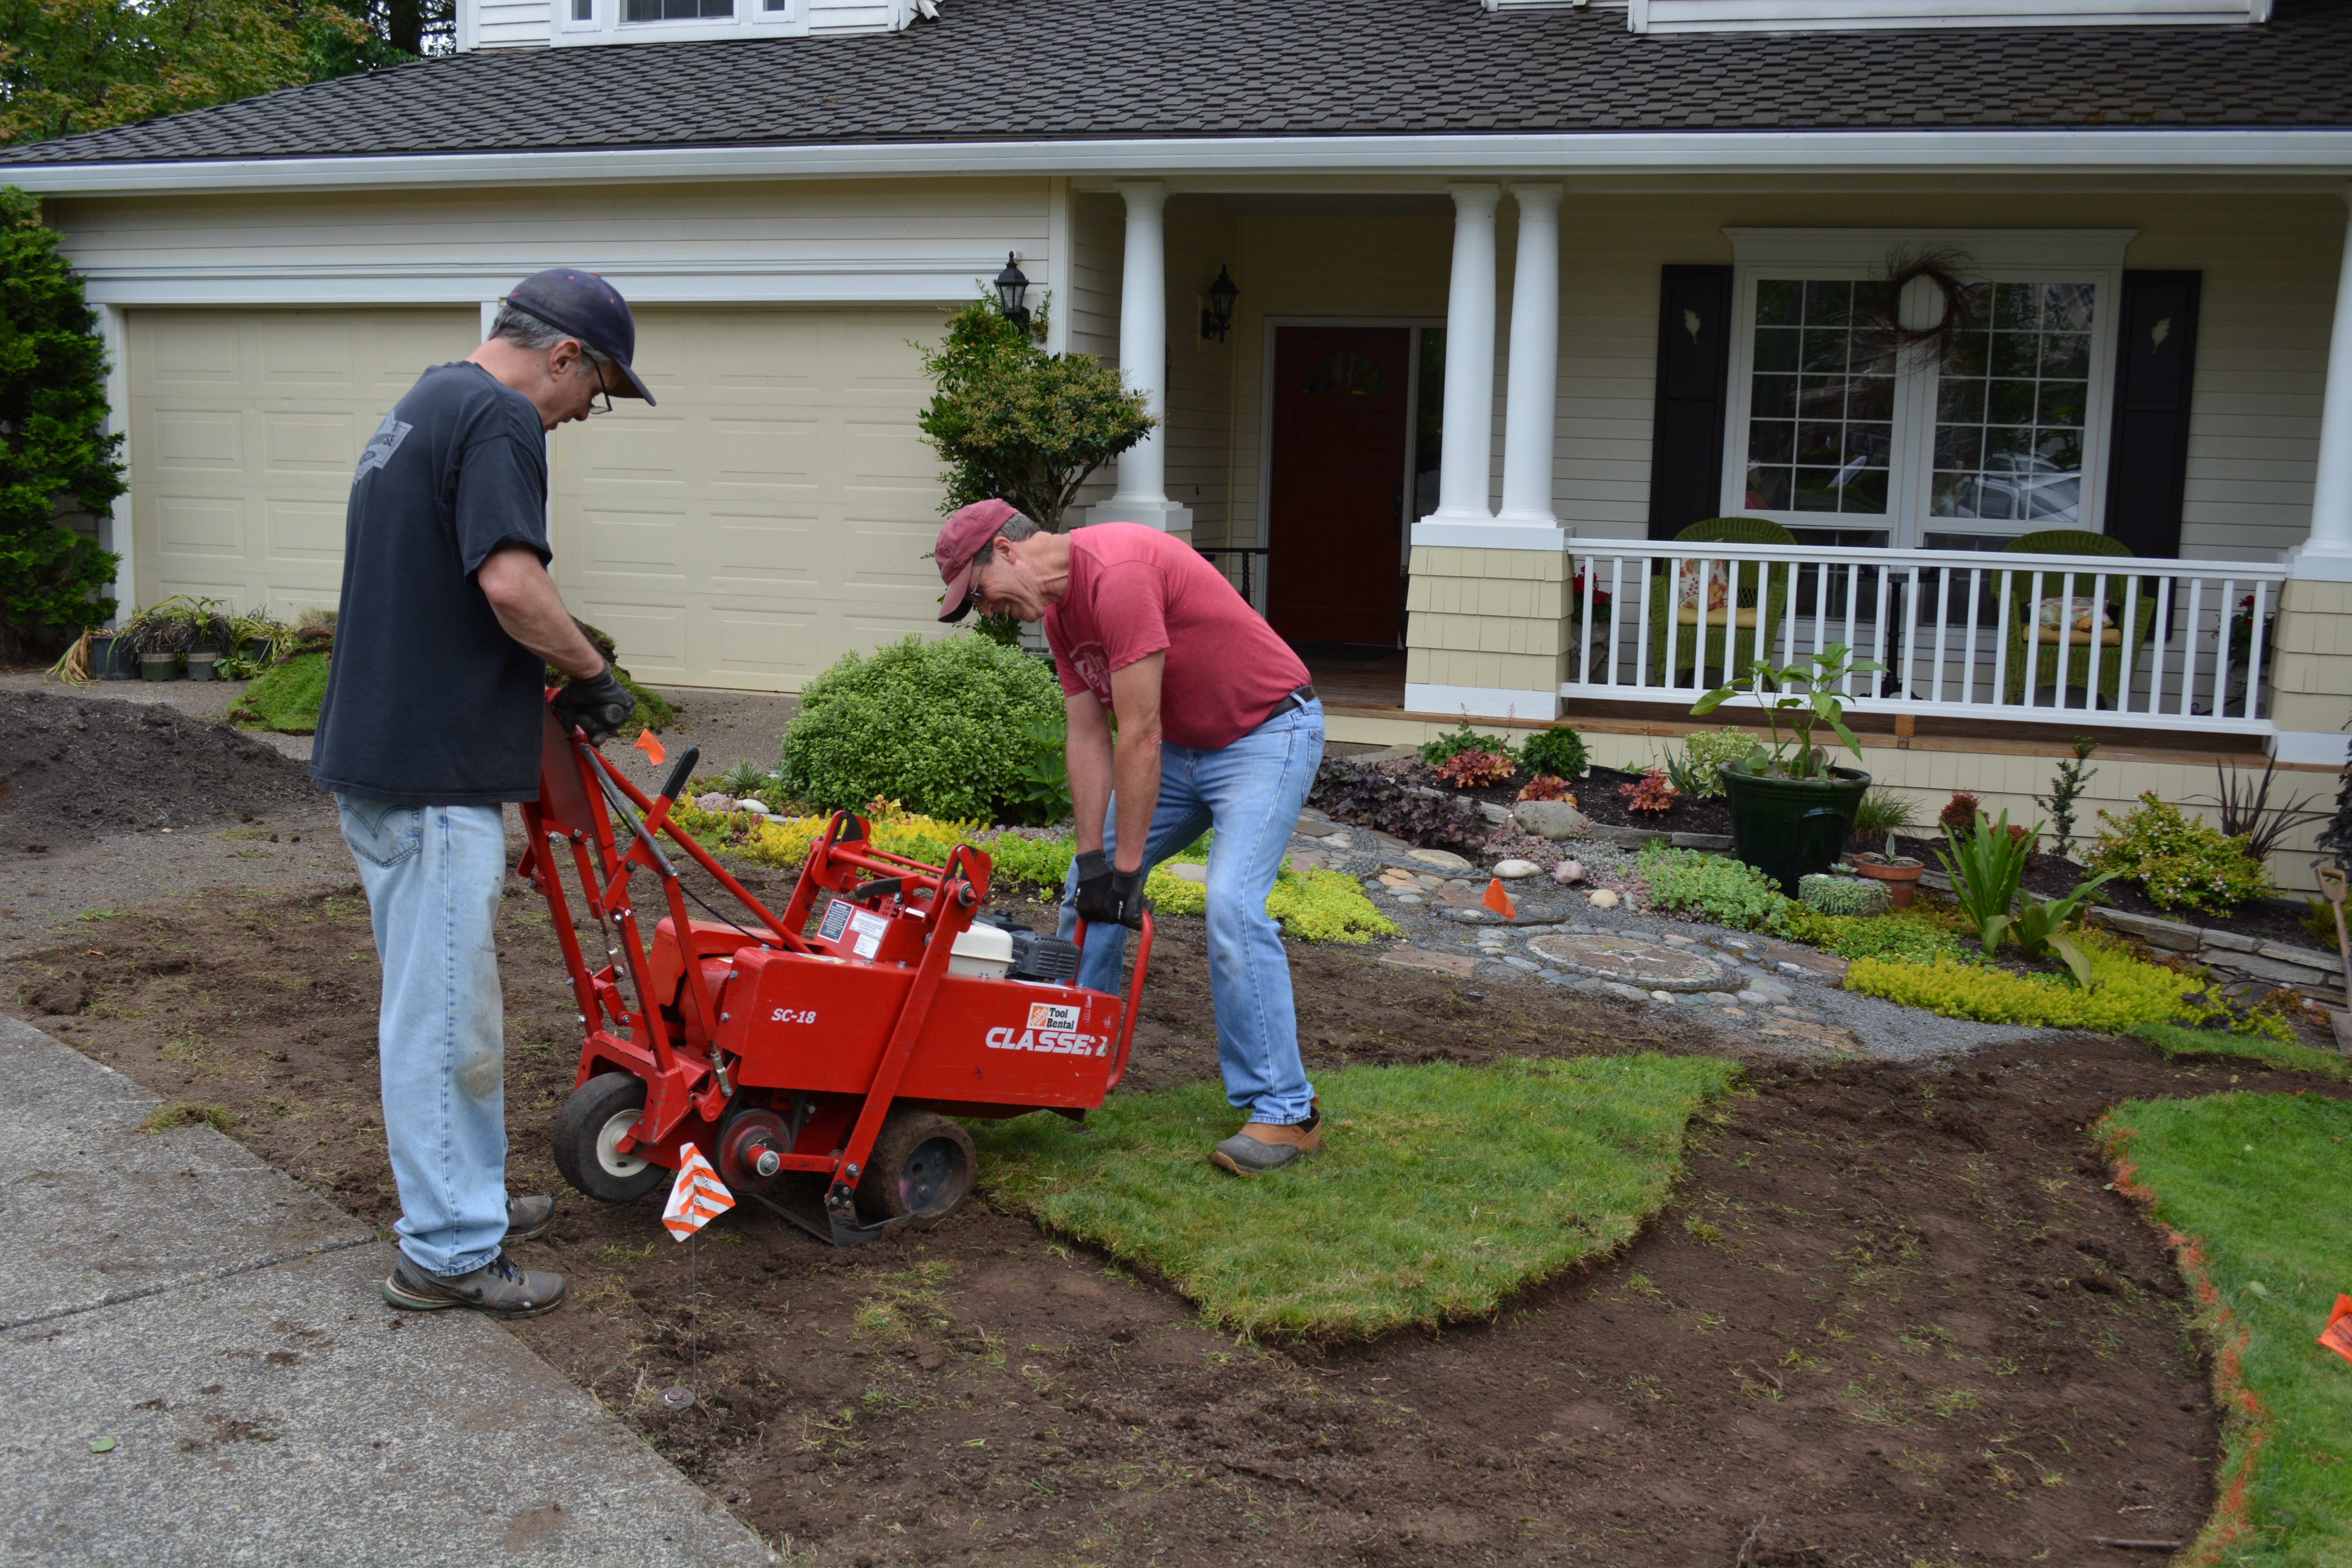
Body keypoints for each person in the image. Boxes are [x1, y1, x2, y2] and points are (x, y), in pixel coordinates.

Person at [312, 269, 650, 1317]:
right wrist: (592, 674)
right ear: (561, 356)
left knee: (439, 1003)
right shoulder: (504, 419)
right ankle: (450, 1252)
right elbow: (508, 581)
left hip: (378, 755)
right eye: (594, 387)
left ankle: (467, 1200)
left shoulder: (422, 403)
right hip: (432, 769)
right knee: (447, 1019)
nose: (588, 411)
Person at [932, 500, 1327, 1176]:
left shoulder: (1118, 572)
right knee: (1085, 894)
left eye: (981, 595)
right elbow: (1088, 734)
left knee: (1232, 904)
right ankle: (1069, 1065)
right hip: (1184, 750)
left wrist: (1127, 870)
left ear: (1005, 551)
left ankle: (1287, 1113)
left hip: (1265, 735)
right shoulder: (1058, 615)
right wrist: (1096, 865)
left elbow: (1138, 732)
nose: (987, 612)